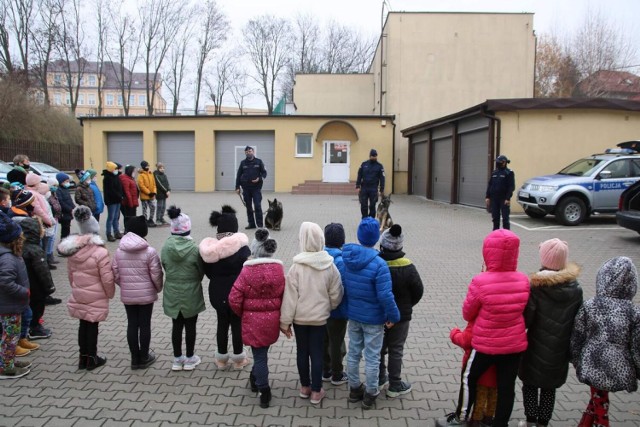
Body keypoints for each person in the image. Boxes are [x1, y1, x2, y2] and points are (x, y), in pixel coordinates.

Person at [461, 229, 530, 427]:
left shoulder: (480, 281)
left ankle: (464, 416)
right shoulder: (524, 280)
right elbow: (525, 311)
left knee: (469, 378)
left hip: (484, 344)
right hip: (513, 346)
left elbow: (467, 313)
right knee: (507, 387)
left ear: (488, 252)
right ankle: (500, 423)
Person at [518, 239, 583, 427]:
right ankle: (543, 423)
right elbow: (577, 320)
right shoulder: (575, 289)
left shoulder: (537, 286)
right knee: (549, 388)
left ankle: (530, 421)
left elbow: (528, 319)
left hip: (535, 346)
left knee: (530, 385)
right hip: (559, 349)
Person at [570, 256, 640, 427]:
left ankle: (601, 423)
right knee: (599, 397)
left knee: (600, 400)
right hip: (618, 365)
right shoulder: (633, 311)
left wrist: (576, 359)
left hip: (593, 361)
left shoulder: (591, 304)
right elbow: (637, 345)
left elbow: (577, 335)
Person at [281, 222, 343, 405]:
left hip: (300, 320)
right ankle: (317, 391)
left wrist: (285, 322)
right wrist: (329, 307)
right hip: (319, 320)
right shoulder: (329, 266)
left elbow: (289, 298)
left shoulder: (296, 267)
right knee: (317, 353)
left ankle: (304, 387)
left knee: (302, 352)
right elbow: (336, 293)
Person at [342, 217, 400, 410]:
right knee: (373, 356)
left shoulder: (347, 259)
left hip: (354, 316)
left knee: (354, 353)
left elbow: (343, 287)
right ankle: (370, 393)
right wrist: (394, 315)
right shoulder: (379, 264)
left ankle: (354, 388)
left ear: (359, 236)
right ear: (376, 238)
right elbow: (385, 294)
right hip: (374, 319)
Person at [229, 228, 285, 409]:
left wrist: (242, 313)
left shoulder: (246, 272)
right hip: (272, 320)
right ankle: (255, 377)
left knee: (260, 357)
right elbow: (285, 295)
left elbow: (234, 298)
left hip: (253, 321)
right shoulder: (279, 270)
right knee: (262, 354)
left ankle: (264, 390)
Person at [57, 205, 115, 371]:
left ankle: (83, 357)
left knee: (83, 325)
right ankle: (92, 358)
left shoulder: (73, 250)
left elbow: (70, 274)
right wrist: (109, 293)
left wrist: (76, 287)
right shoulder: (100, 253)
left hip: (79, 292)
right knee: (92, 326)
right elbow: (107, 277)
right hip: (95, 295)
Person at [199, 205, 251, 370]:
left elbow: (207, 272)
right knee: (237, 324)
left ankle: (221, 359)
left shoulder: (209, 251)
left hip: (217, 292)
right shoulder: (243, 249)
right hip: (237, 293)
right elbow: (247, 272)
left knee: (222, 323)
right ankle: (239, 359)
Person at [377, 224, 424, 398]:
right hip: (401, 318)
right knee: (396, 349)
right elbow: (418, 291)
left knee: (379, 348)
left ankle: (380, 378)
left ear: (382, 245)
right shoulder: (408, 266)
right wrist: (407, 306)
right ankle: (395, 384)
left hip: (379, 316)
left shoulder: (377, 264)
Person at [112, 215, 163, 370]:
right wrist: (157, 288)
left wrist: (125, 285)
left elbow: (115, 273)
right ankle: (145, 356)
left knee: (132, 324)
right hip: (146, 295)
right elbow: (157, 274)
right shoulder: (150, 251)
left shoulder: (119, 251)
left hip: (128, 295)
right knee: (145, 324)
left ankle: (135, 358)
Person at [161, 205, 205, 371]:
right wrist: (194, 279)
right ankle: (190, 357)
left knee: (176, 324)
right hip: (191, 290)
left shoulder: (165, 247)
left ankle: (177, 358)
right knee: (191, 324)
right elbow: (200, 270)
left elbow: (164, 265)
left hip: (172, 289)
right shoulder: (195, 249)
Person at [442, 320, 497, 427]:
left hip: (479, 368)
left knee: (479, 394)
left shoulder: (480, 316)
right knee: (493, 395)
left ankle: (473, 420)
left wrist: (454, 333)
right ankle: (488, 419)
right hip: (499, 367)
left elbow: (466, 340)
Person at [0, 212, 32, 379]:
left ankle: (8, 360)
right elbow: (5, 282)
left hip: (10, 304)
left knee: (8, 336)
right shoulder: (7, 258)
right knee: (10, 337)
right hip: (9, 305)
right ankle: (6, 367)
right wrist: (24, 291)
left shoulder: (9, 256)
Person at [322, 223, 349, 386]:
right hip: (338, 310)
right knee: (336, 341)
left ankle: (325, 370)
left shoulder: (320, 257)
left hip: (320, 309)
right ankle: (337, 373)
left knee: (324, 339)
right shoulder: (341, 261)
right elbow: (344, 286)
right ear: (342, 241)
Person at [20, 218, 56, 342]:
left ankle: (29, 327)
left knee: (29, 306)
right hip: (36, 286)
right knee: (37, 306)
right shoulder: (35, 250)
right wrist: (49, 287)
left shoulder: (21, 247)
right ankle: (35, 328)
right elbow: (43, 271)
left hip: (26, 285)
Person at [235, 146, 267, 230]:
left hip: (256, 188)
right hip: (246, 188)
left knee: (257, 206)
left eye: (250, 151)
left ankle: (260, 225)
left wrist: (259, 179)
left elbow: (264, 173)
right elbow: (238, 175)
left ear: (253, 152)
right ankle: (251, 224)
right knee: (248, 207)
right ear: (245, 153)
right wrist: (237, 187)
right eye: (247, 152)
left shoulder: (259, 162)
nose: (248, 153)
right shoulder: (243, 163)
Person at [485, 155, 515, 231]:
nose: (497, 163)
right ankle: (495, 235)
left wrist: (508, 198)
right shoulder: (494, 172)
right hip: (494, 199)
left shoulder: (509, 173)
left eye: (499, 162)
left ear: (504, 162)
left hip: (504, 199)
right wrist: (487, 197)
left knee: (505, 219)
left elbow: (511, 187)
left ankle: (507, 236)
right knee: (495, 218)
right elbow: (490, 185)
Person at [356, 149, 385, 219]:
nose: (374, 157)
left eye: (375, 156)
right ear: (369, 156)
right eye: (372, 156)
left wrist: (381, 189)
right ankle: (364, 219)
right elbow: (359, 175)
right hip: (364, 188)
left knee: (372, 205)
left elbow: (382, 178)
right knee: (363, 205)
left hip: (373, 188)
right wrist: (358, 186)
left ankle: (371, 220)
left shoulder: (379, 166)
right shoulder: (364, 164)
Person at [102, 161, 124, 243]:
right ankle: (109, 233)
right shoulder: (107, 178)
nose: (117, 170)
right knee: (111, 217)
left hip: (118, 199)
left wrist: (121, 195)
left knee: (116, 217)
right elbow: (111, 191)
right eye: (115, 169)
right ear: (111, 169)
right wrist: (119, 195)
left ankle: (116, 232)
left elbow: (119, 188)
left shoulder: (116, 176)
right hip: (111, 200)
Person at [137, 161, 157, 227]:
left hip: (152, 195)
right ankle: (145, 221)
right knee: (144, 209)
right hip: (145, 195)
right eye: (146, 166)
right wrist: (148, 192)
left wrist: (154, 192)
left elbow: (154, 184)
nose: (147, 167)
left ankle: (151, 219)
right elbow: (141, 185)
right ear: (143, 167)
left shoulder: (151, 174)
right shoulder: (141, 175)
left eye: (148, 166)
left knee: (153, 207)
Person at [55, 173, 75, 239]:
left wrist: (73, 207)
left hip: (68, 213)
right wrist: (70, 209)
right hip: (64, 213)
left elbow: (69, 199)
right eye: (66, 181)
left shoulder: (65, 189)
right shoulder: (58, 190)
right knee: (65, 230)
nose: (68, 183)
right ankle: (63, 243)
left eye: (68, 181)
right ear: (61, 181)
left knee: (67, 229)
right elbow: (61, 202)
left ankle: (66, 242)